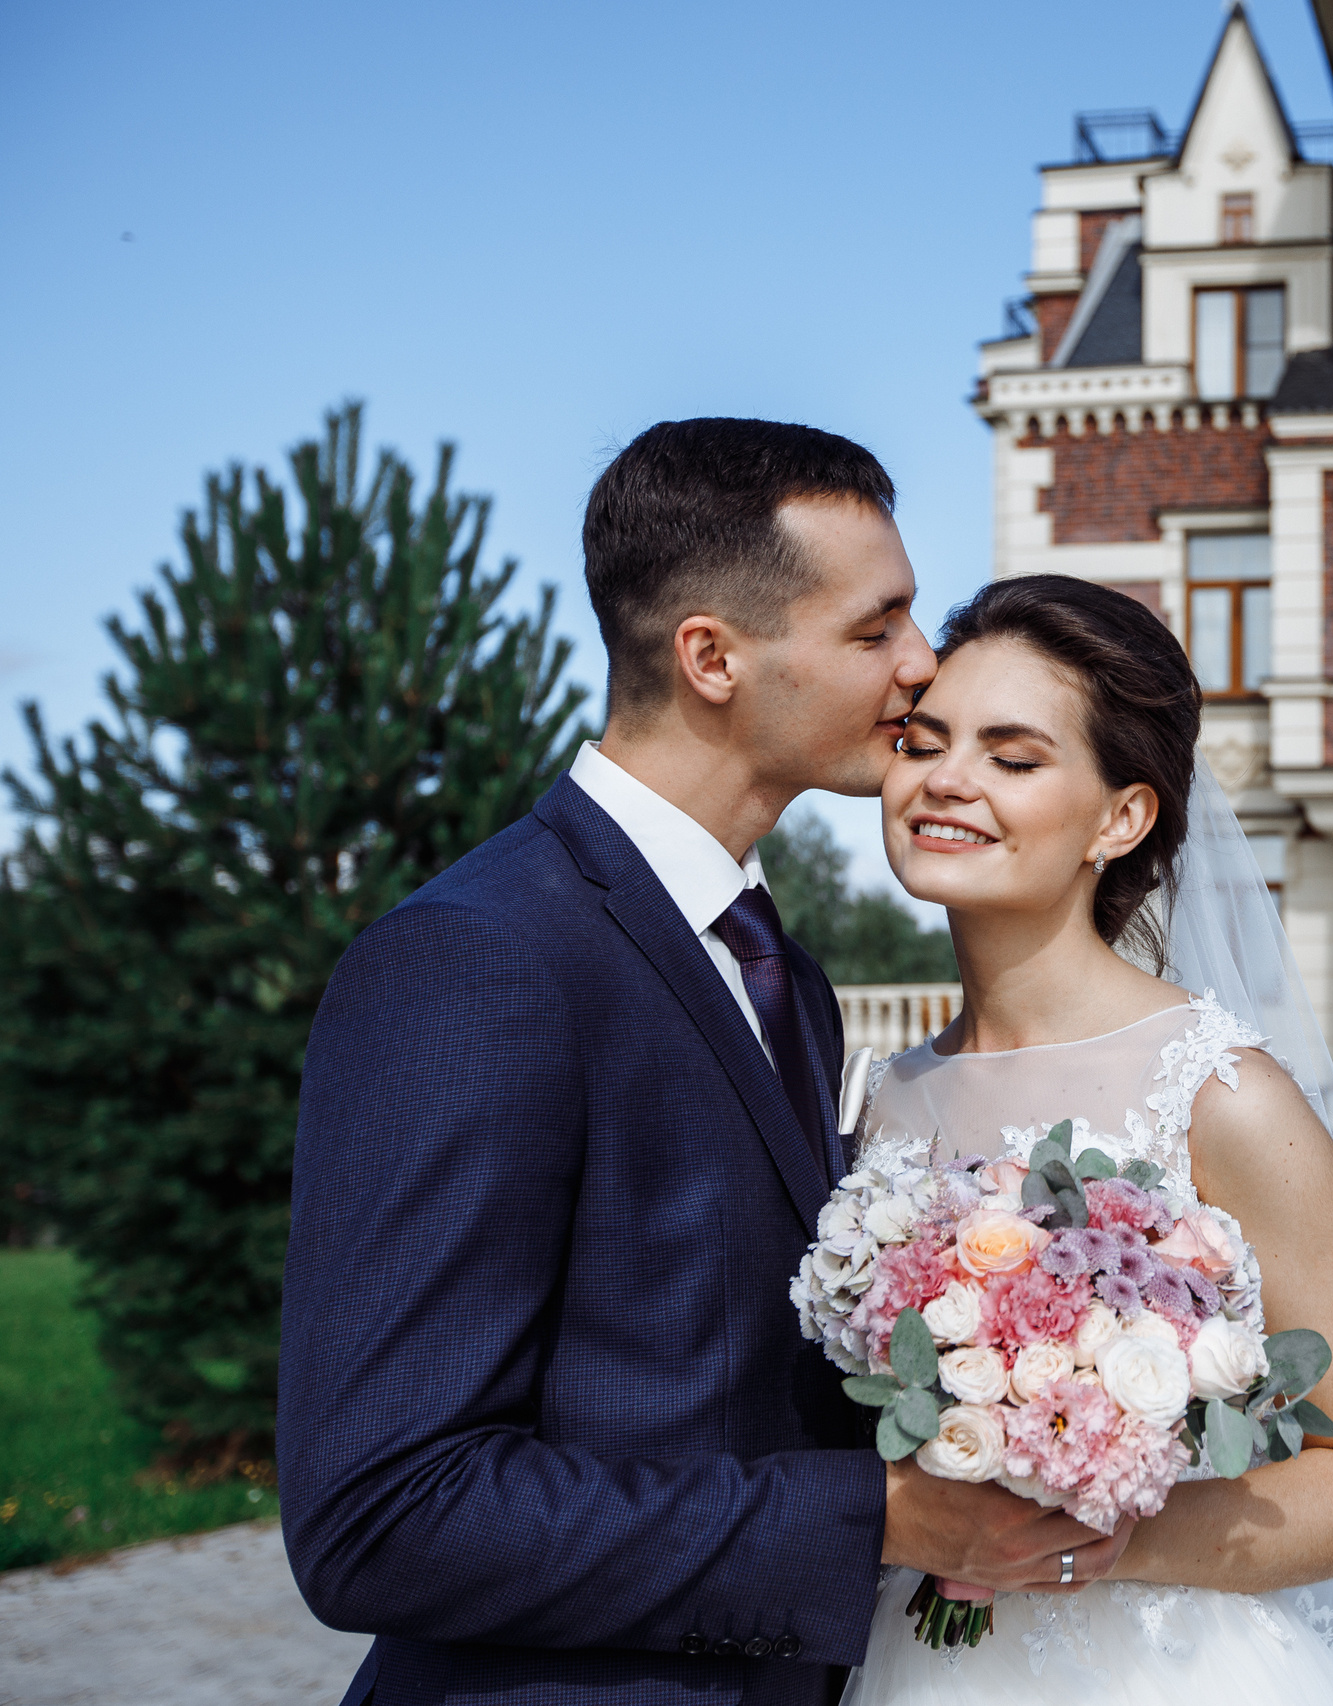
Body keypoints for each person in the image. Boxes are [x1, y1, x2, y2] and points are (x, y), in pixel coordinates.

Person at [278, 420, 1134, 1706]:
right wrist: (878, 1519)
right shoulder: (479, 961)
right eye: (875, 629)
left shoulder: (785, 978)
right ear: (713, 657)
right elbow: (383, 1509)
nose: (921, 665)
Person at [845, 574, 1333, 1705]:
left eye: (1013, 757)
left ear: (1120, 817)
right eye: (922, 741)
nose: (945, 780)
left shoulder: (1220, 1092)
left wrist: (1095, 1535)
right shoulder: (881, 1096)